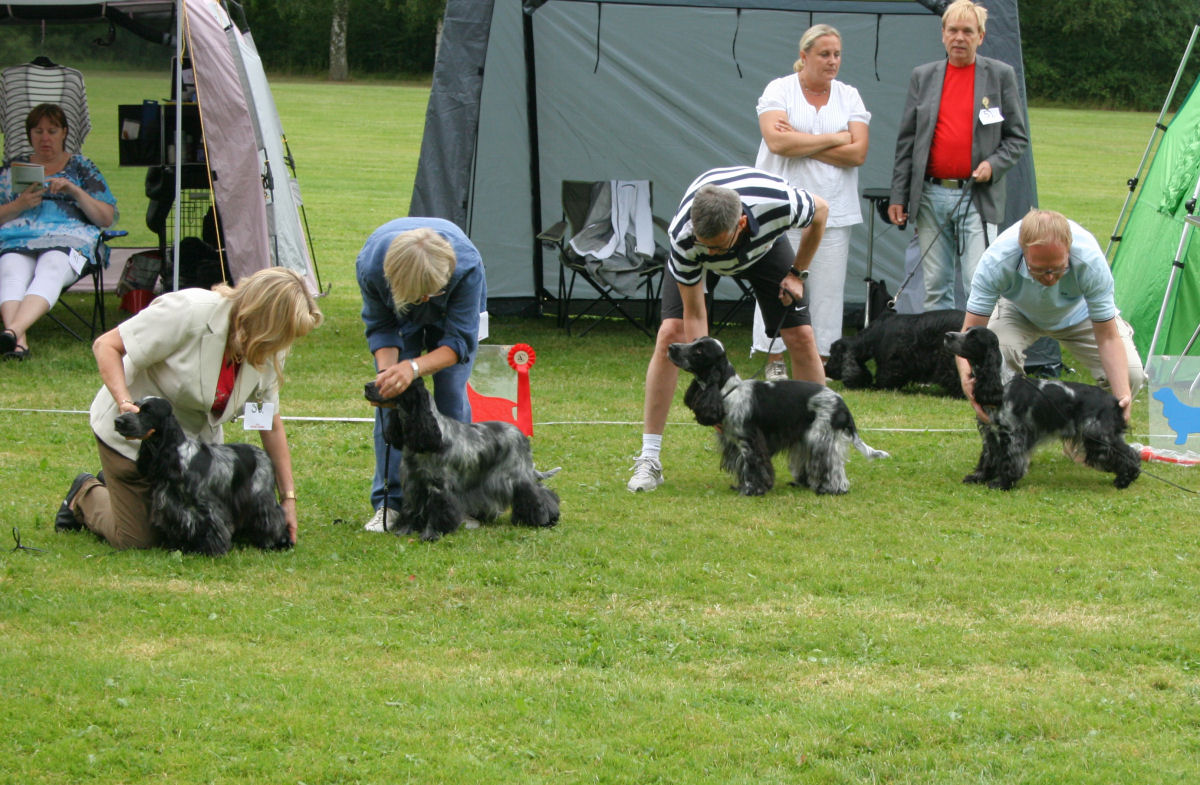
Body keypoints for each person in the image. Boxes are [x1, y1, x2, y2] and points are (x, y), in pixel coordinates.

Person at [53, 267, 324, 549]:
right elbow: (106, 346)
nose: (284, 345)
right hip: (136, 442)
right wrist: (126, 405)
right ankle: (85, 493)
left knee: (210, 529)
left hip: (198, 458)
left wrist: (287, 499)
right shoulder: (189, 311)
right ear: (263, 318)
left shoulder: (266, 347)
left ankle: (127, 492)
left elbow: (267, 422)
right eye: (283, 334)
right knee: (142, 538)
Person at [627, 165, 829, 492]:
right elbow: (695, 317)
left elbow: (821, 211)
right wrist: (714, 397)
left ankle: (815, 455)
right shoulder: (686, 238)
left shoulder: (778, 202)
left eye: (717, 246)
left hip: (764, 249)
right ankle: (650, 458)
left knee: (802, 337)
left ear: (742, 224)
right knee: (671, 333)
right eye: (705, 244)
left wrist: (798, 272)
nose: (711, 252)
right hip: (701, 261)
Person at [887, 0, 1029, 312]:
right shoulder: (922, 77)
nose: (959, 38)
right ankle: (945, 357)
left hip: (976, 197)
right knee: (935, 287)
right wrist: (899, 194)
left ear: (981, 35)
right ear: (943, 34)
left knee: (979, 281)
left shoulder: (1000, 75)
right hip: (929, 196)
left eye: (968, 31)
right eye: (953, 30)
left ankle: (979, 356)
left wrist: (993, 165)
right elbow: (906, 143)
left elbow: (1017, 138)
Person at [751, 23, 870, 379]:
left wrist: (802, 141)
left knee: (828, 291)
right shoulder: (779, 89)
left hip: (834, 208)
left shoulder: (849, 95)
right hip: (780, 207)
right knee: (776, 283)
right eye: (824, 54)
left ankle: (820, 360)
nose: (832, 61)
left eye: (837, 54)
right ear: (804, 57)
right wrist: (835, 138)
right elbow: (777, 143)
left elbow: (859, 152)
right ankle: (774, 359)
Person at [356, 217, 487, 530]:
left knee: (452, 399)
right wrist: (390, 375)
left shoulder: (466, 267)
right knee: (392, 406)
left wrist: (413, 367)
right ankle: (391, 504)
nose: (428, 300)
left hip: (449, 321)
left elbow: (458, 342)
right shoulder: (372, 267)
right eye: (421, 296)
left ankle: (457, 501)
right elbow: (382, 327)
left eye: (434, 292)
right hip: (402, 313)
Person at [956, 208, 1145, 424]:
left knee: (1130, 375)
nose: (1049, 278)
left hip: (1079, 313)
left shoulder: (1090, 260)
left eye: (1058, 269)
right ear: (1022, 251)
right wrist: (968, 378)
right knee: (998, 360)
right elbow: (970, 334)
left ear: (1069, 250)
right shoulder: (996, 260)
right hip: (1018, 310)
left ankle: (1089, 436)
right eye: (1039, 270)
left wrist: (1123, 396)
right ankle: (1013, 434)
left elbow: (1108, 337)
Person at [0, 103, 117, 360]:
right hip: (17, 239)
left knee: (53, 265)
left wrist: (74, 191)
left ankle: (12, 333)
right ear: (29, 134)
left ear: (64, 133)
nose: (45, 138)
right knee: (10, 268)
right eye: (38, 131)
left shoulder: (82, 168)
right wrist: (19, 205)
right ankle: (18, 342)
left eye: (52, 131)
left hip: (71, 241)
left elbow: (106, 217)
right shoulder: (12, 170)